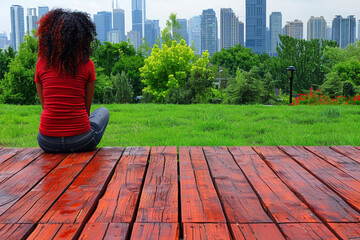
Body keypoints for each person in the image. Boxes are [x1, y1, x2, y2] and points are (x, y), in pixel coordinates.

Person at [35, 9, 109, 153]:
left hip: (47, 142)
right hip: (81, 141)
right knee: (103, 111)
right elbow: (86, 111)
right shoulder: (88, 64)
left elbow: (45, 106)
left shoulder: (41, 63)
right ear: (81, 38)